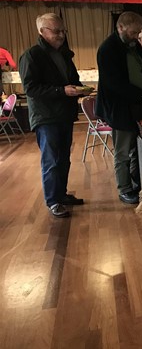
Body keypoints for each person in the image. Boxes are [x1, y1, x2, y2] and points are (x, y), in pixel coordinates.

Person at [20, 13, 88, 218]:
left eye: (62, 31)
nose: (61, 35)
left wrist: (80, 88)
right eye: (56, 31)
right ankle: (53, 201)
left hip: (64, 114)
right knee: (51, 160)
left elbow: (72, 79)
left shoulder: (65, 54)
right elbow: (31, 89)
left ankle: (61, 194)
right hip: (45, 116)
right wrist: (62, 91)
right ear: (42, 31)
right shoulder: (32, 55)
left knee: (63, 159)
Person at [96, 12, 142, 205]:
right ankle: (124, 189)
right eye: (133, 32)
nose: (136, 36)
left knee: (136, 149)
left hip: (135, 106)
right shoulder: (108, 49)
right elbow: (114, 83)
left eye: (138, 32)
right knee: (123, 151)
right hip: (119, 108)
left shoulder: (131, 45)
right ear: (120, 28)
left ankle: (137, 184)